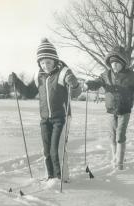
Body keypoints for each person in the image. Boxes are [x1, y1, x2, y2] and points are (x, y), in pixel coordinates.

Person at [8, 38, 81, 180]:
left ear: (54, 61)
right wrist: (16, 82)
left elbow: (76, 93)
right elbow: (29, 93)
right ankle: (51, 177)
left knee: (56, 150)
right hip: (45, 118)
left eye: (48, 62)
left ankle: (61, 179)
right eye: (42, 62)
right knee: (47, 151)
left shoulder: (64, 72)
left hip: (62, 117)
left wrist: (74, 84)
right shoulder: (38, 75)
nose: (45, 65)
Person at [83, 46, 134, 170]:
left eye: (117, 63)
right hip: (110, 110)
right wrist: (89, 84)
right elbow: (97, 82)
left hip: (124, 110)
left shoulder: (131, 75)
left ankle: (119, 162)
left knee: (120, 135)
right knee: (112, 135)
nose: (114, 65)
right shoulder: (106, 75)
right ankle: (115, 156)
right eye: (112, 63)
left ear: (123, 63)